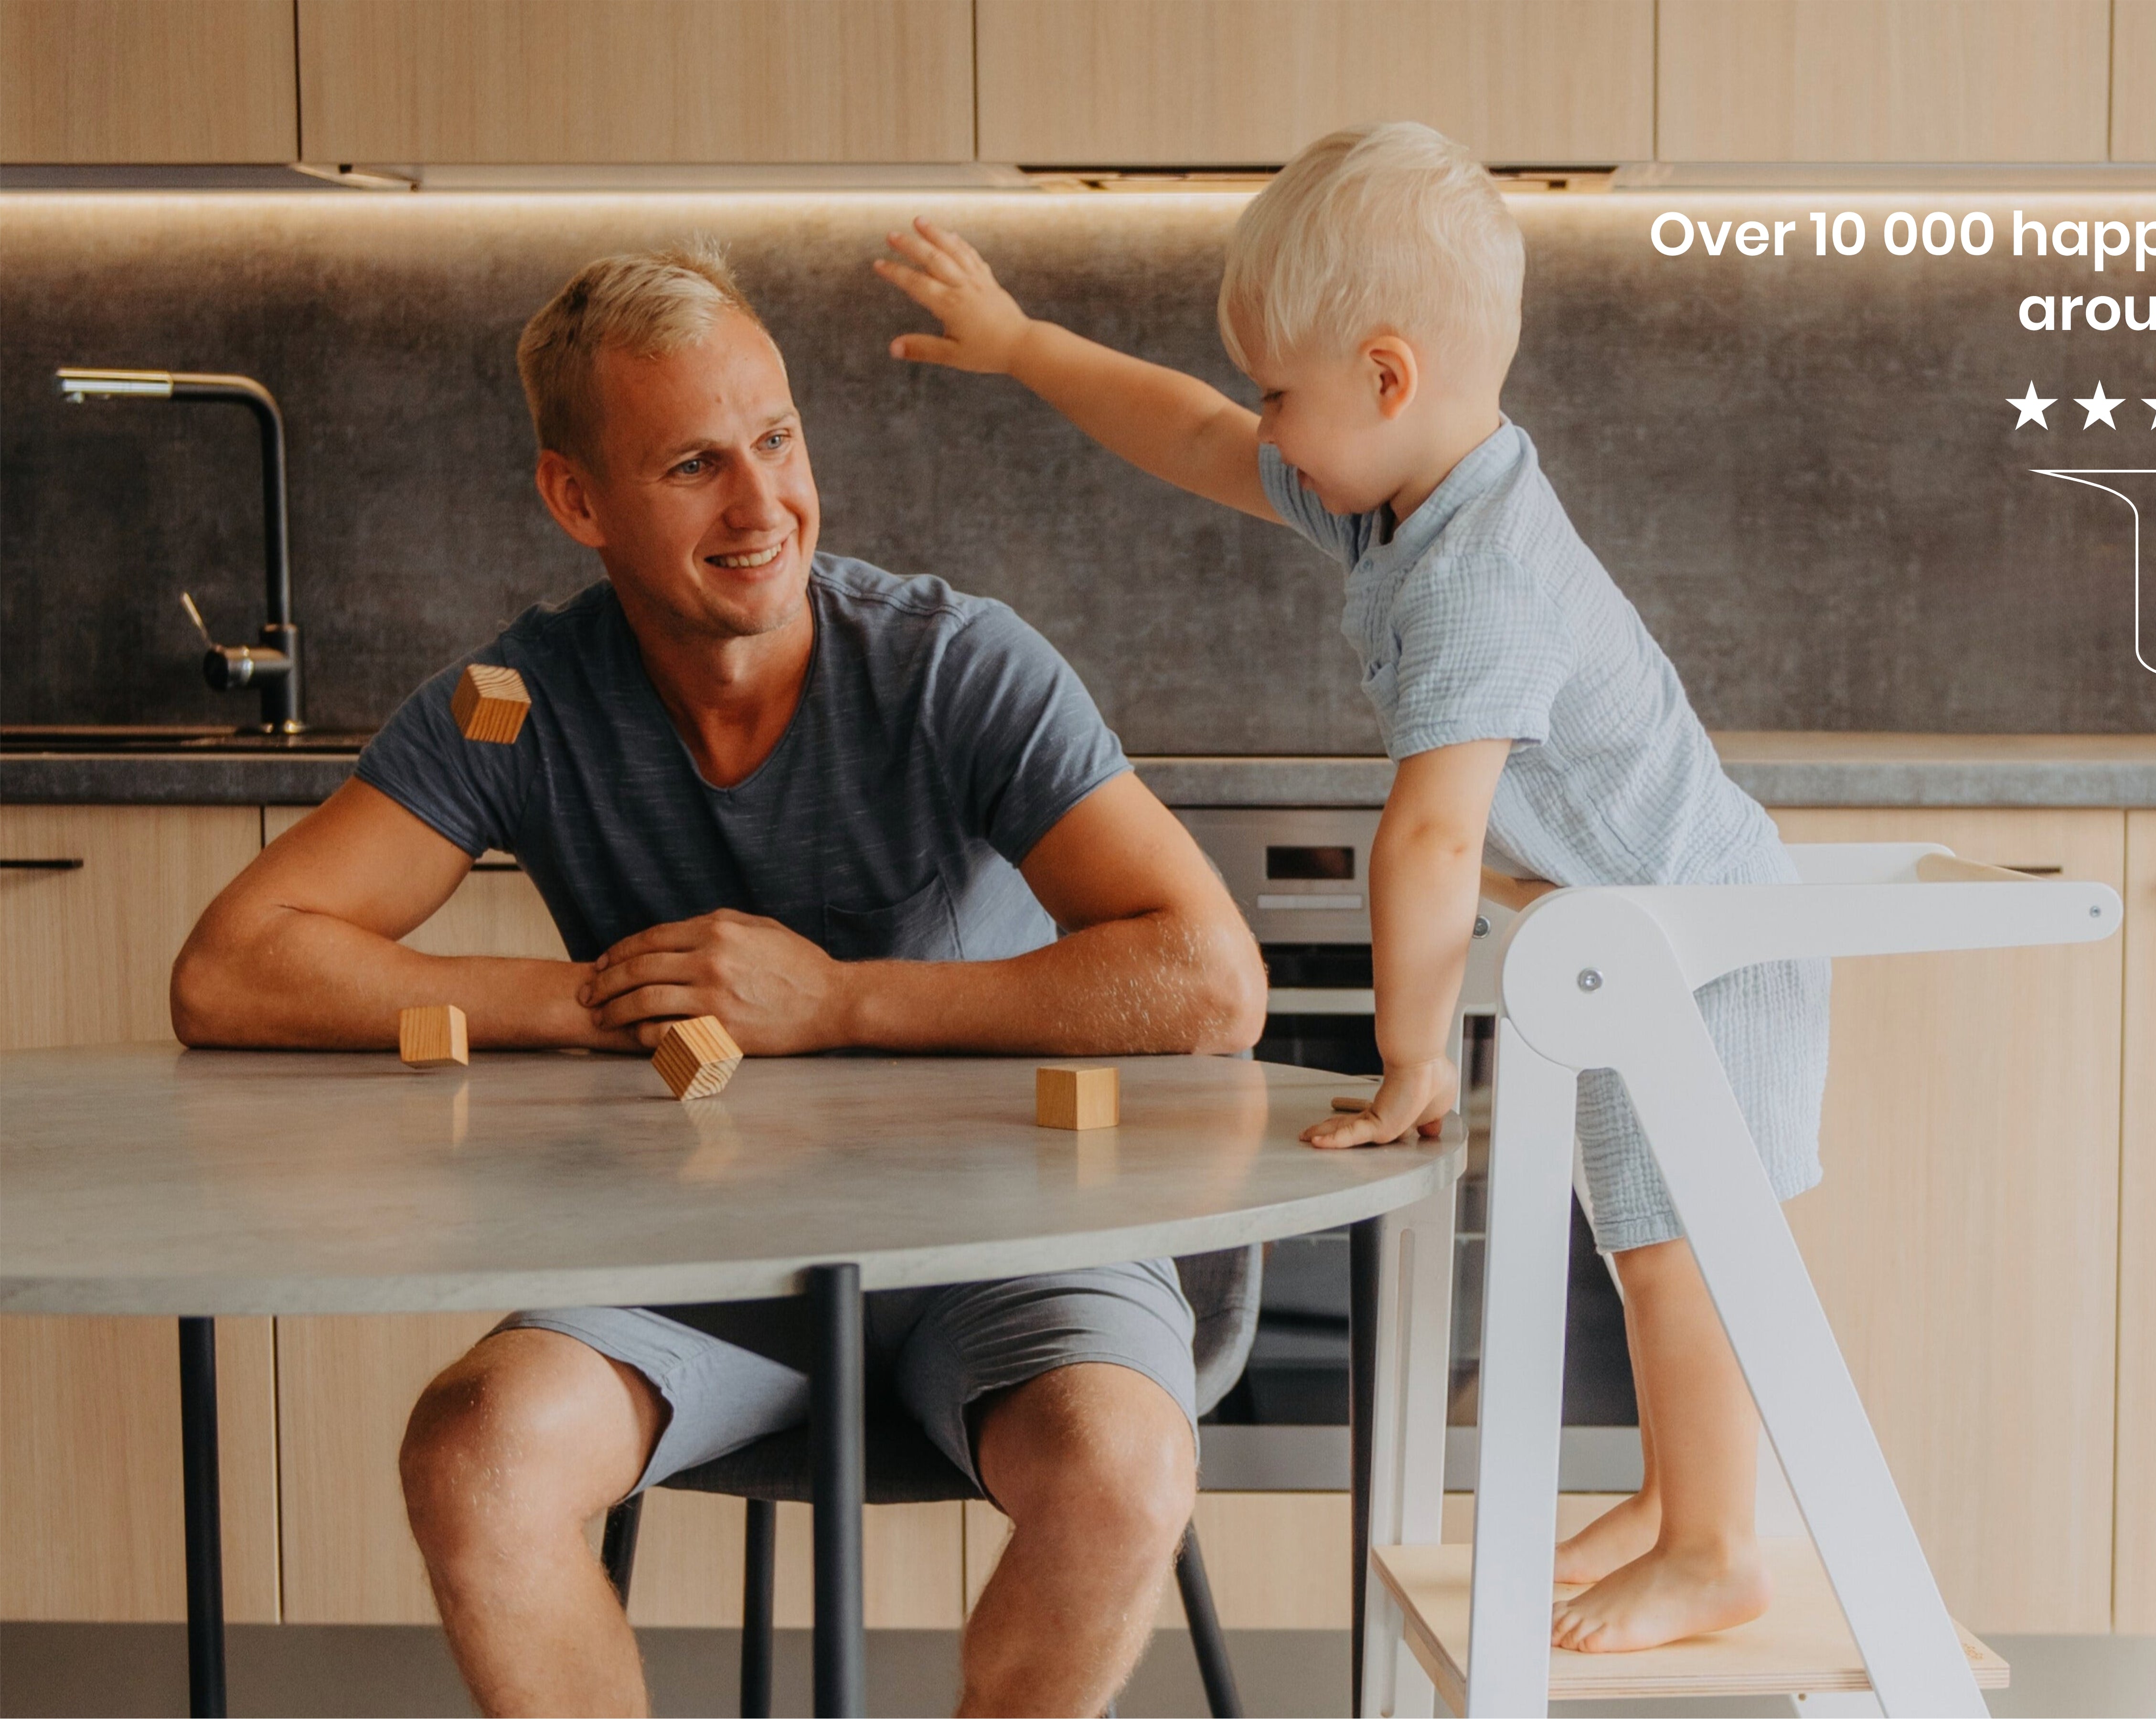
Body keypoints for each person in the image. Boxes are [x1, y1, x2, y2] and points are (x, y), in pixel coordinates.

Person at [170, 242, 1267, 1718]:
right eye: (696, 464)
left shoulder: (955, 668)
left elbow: (1208, 981)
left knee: (1126, 1469)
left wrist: (839, 1006)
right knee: (473, 1455)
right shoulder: (518, 708)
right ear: (578, 501)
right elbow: (234, 970)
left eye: (778, 439)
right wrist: (588, 1002)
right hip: (696, 1269)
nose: (764, 507)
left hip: (1011, 1248)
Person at [872, 121, 1833, 1655]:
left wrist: (1411, 1064)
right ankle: (1678, 1499)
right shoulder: (1403, 498)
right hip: (1653, 943)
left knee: (1679, 1247)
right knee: (1648, 1236)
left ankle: (1717, 1541)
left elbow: (1432, 837)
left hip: (1711, 947)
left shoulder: (1475, 573)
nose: (1265, 426)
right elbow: (1194, 437)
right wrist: (1030, 345)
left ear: (1389, 379)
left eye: (1282, 392)